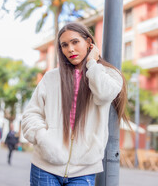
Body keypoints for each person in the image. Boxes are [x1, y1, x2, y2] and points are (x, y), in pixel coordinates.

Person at [22, 22, 128, 186]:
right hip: (45, 166)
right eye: (64, 45)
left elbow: (103, 94)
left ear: (88, 42)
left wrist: (92, 63)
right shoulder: (51, 78)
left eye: (75, 42)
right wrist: (42, 137)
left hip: (84, 170)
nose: (70, 49)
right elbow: (31, 114)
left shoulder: (109, 75)